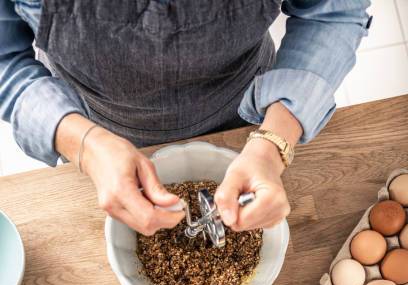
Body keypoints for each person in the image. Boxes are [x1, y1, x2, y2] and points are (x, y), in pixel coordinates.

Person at [0, 1, 371, 235]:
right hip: (91, 123)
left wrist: (273, 142)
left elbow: (332, 12)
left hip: (248, 112)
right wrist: (84, 144)